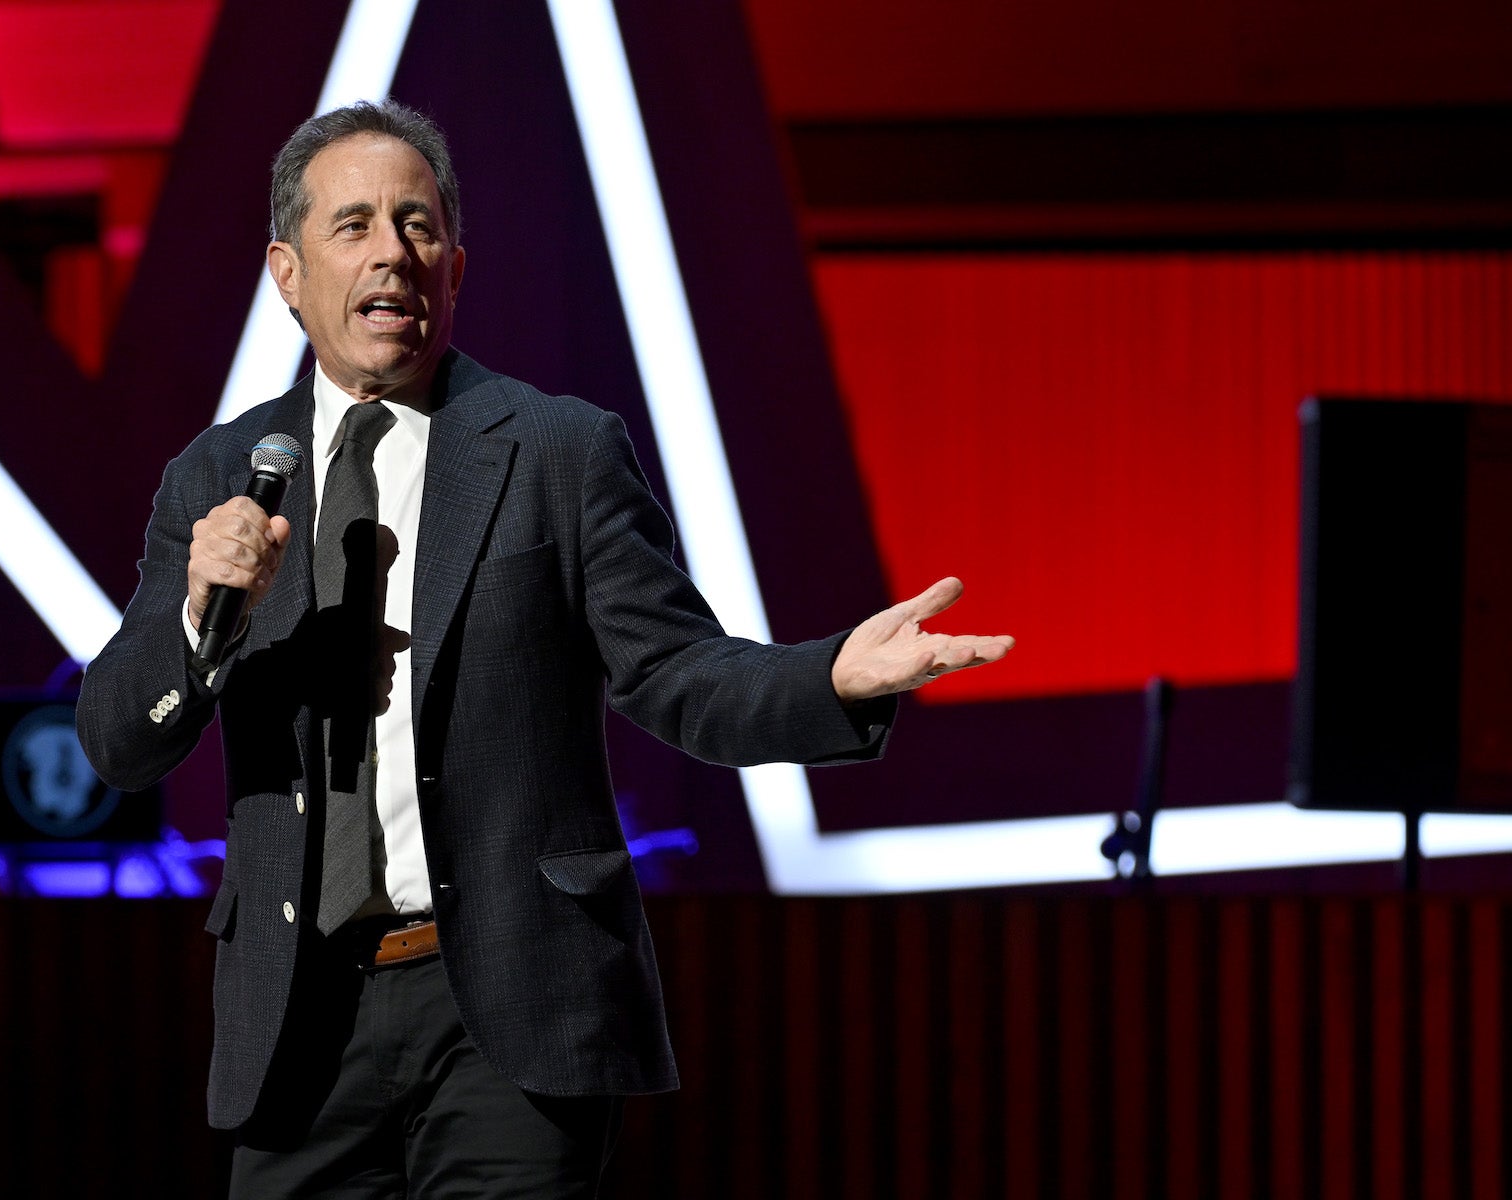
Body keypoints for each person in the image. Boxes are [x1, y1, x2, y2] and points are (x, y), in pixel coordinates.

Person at [76, 100, 1013, 1198]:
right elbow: (115, 740)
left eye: (419, 227)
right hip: (300, 1020)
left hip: (510, 1006)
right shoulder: (219, 476)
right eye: (357, 225)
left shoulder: (557, 451)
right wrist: (199, 617)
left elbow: (673, 672)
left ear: (457, 266)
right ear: (287, 272)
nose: (394, 252)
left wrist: (828, 676)